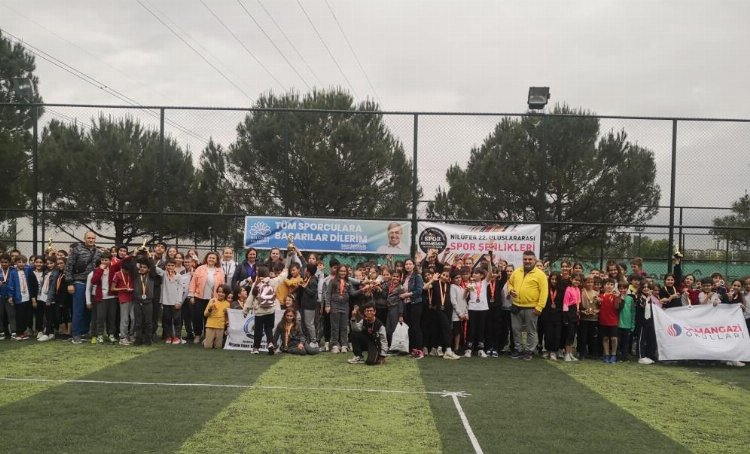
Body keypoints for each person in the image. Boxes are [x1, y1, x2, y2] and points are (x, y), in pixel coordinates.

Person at [507, 250, 548, 360]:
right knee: (515, 330)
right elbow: (510, 283)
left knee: (531, 331)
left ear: (534, 260)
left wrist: (540, 307)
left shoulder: (540, 275)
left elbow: (544, 292)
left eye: (530, 259)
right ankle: (518, 349)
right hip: (516, 306)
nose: (527, 261)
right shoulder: (517, 271)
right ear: (522, 260)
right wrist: (510, 290)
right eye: (525, 259)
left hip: (532, 308)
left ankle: (529, 351)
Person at [63, 231, 101, 343]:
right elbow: (68, 267)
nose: (91, 240)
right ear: (84, 238)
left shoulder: (98, 252)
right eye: (89, 238)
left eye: (93, 238)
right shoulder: (77, 250)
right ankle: (76, 334)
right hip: (79, 282)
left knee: (89, 309)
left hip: (92, 284)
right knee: (78, 309)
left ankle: (85, 332)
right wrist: (69, 283)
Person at [188, 252, 226, 344]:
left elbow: (222, 286)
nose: (211, 259)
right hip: (199, 297)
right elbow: (193, 282)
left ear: (216, 260)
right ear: (206, 258)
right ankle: (197, 335)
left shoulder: (220, 271)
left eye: (213, 258)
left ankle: (207, 337)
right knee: (197, 316)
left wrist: (220, 298)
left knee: (209, 317)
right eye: (210, 257)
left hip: (213, 299)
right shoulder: (200, 269)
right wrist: (191, 295)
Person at [154, 258, 185, 344]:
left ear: (175, 266)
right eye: (168, 265)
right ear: (165, 266)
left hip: (175, 302)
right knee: (167, 320)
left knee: (177, 320)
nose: (170, 267)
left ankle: (177, 337)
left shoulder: (179, 276)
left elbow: (181, 290)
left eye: (172, 265)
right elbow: (155, 268)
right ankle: (168, 336)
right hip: (165, 302)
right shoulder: (164, 274)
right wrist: (149, 256)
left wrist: (179, 302)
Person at [400, 258, 425, 359]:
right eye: (406, 264)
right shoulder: (405, 277)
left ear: (414, 265)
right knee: (410, 328)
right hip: (407, 304)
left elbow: (419, 291)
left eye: (410, 264)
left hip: (416, 304)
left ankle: (420, 351)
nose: (408, 266)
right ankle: (413, 350)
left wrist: (407, 294)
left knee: (416, 327)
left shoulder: (417, 276)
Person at [6, 255, 35, 340]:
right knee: (20, 315)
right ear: (16, 263)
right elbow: (11, 285)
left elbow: (34, 266)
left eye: (23, 262)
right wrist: (10, 296)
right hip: (19, 297)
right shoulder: (13, 272)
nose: (21, 264)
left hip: (28, 297)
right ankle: (19, 332)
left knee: (28, 315)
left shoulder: (28, 270)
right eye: (19, 262)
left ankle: (24, 330)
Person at [132, 258, 155, 346]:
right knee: (138, 322)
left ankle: (148, 339)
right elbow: (133, 266)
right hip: (137, 302)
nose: (142, 269)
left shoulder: (151, 276)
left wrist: (149, 257)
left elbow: (153, 267)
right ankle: (138, 339)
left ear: (148, 269)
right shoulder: (136, 276)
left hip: (148, 302)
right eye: (141, 267)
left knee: (148, 322)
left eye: (144, 267)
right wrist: (134, 255)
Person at [599, 278, 621, 363]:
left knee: (614, 338)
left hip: (613, 321)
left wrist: (617, 298)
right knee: (605, 338)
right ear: (604, 286)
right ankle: (606, 355)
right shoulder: (600, 296)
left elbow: (617, 307)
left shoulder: (615, 296)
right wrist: (597, 301)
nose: (609, 286)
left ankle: (614, 355)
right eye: (608, 284)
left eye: (611, 285)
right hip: (603, 320)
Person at [562, 273, 582, 362]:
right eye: (575, 280)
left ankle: (570, 353)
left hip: (576, 313)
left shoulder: (578, 289)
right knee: (569, 334)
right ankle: (566, 354)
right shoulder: (568, 289)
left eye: (578, 280)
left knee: (573, 334)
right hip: (569, 312)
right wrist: (565, 317)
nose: (577, 282)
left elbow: (578, 302)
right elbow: (565, 303)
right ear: (571, 279)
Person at [203, 284, 231, 350]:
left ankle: (210, 340)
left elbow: (227, 317)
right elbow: (205, 314)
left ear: (226, 294)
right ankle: (206, 341)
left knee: (218, 347)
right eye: (219, 292)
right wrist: (210, 309)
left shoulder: (227, 304)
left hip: (220, 327)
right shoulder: (212, 301)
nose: (220, 294)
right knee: (208, 347)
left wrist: (227, 323)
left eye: (223, 292)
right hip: (210, 325)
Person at [617, 281, 636, 362]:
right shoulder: (616, 298)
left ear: (627, 289)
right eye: (620, 288)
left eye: (624, 288)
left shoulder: (630, 299)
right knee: (618, 342)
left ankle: (624, 357)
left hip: (628, 325)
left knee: (626, 342)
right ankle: (618, 356)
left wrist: (632, 325)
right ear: (618, 289)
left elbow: (633, 312)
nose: (622, 290)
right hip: (618, 324)